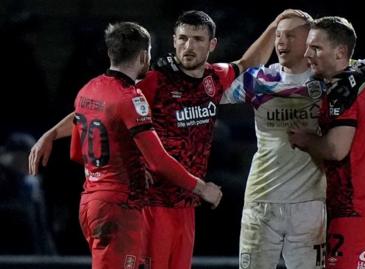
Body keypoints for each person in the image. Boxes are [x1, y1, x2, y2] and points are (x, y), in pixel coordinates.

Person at [30, 10, 298, 269]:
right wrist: (52, 133)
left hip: (186, 205)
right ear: (173, 41)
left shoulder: (214, 78)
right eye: (182, 39)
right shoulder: (154, 81)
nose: (188, 46)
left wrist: (274, 27)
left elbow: (248, 65)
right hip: (151, 204)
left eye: (197, 39)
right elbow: (100, 107)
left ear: (212, 44)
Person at [221, 12, 365, 269]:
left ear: (308, 41)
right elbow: (217, 88)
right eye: (278, 35)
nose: (282, 42)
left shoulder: (331, 78)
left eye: (291, 35)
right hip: (261, 200)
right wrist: (271, 26)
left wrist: (363, 75)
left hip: (312, 204)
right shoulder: (259, 80)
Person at [68, 21, 222, 269]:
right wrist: (202, 188)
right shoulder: (131, 98)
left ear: (110, 53)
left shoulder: (88, 90)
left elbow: (77, 152)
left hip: (89, 202)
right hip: (121, 205)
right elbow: (158, 161)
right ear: (143, 55)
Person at [288, 16, 365, 269]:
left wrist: (306, 139)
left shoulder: (341, 91)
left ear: (340, 52)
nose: (308, 54)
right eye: (307, 47)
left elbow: (336, 149)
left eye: (316, 48)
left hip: (357, 209)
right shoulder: (363, 82)